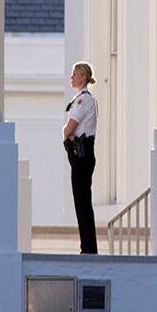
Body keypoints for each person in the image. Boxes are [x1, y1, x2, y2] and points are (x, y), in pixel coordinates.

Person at [63, 61, 98, 254]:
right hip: (82, 153)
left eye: (75, 74)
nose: (72, 77)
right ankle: (87, 245)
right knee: (82, 201)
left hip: (82, 153)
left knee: (82, 202)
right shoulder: (83, 99)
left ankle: (88, 247)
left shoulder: (82, 100)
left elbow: (69, 128)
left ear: (83, 77)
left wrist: (65, 132)